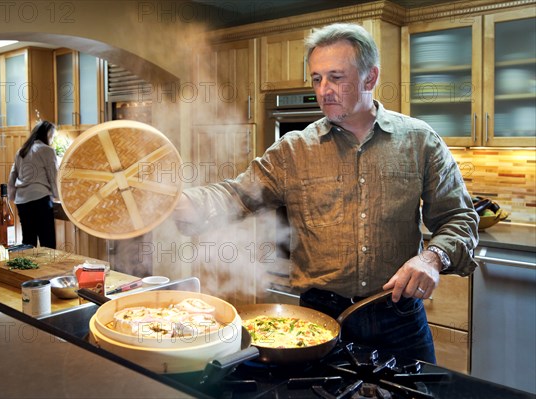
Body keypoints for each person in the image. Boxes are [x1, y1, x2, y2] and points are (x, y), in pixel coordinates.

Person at [173, 23, 479, 363]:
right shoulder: (293, 150)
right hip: (318, 321)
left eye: (336, 77)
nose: (324, 90)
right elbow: (236, 194)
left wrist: (432, 258)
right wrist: (182, 202)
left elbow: (460, 218)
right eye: (317, 78)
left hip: (398, 319)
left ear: (370, 78)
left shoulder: (420, 141)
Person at [8, 120, 59, 249]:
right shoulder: (47, 150)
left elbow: (13, 175)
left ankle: (29, 268)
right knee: (47, 243)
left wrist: (11, 197)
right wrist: (57, 195)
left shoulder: (21, 151)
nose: (52, 139)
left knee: (28, 242)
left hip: (22, 201)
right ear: (47, 135)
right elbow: (54, 176)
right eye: (52, 136)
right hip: (40, 199)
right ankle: (49, 269)